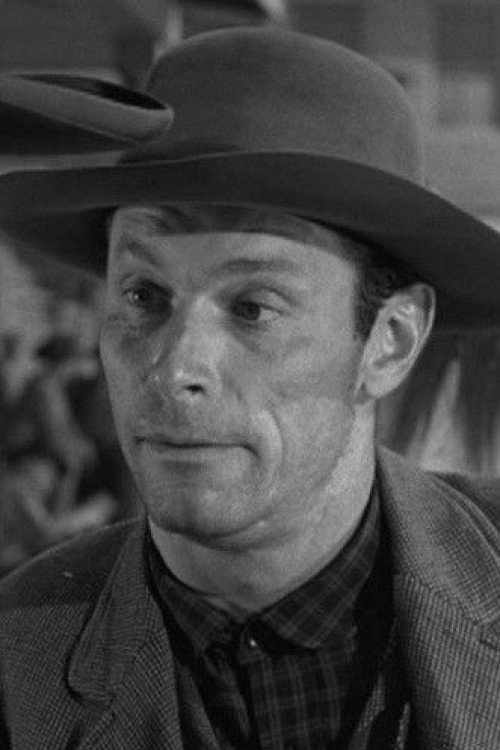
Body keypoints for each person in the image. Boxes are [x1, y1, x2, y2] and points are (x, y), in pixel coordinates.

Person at [0, 27, 499, 750]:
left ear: (389, 342)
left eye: (252, 308)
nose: (176, 369)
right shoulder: (18, 661)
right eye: (143, 296)